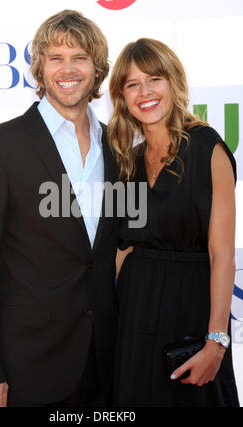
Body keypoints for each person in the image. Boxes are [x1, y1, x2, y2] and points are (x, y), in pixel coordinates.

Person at [0, 10, 118, 407]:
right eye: (55, 57)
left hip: (109, 365)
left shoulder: (117, 146)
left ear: (97, 70)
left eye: (79, 57)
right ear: (40, 69)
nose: (68, 69)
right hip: (29, 368)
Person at [108, 38, 239, 407]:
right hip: (133, 319)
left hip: (190, 319)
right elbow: (121, 250)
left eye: (154, 79)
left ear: (174, 83)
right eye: (132, 84)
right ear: (122, 96)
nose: (144, 92)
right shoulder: (127, 161)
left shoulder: (206, 148)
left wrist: (217, 341)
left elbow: (223, 254)